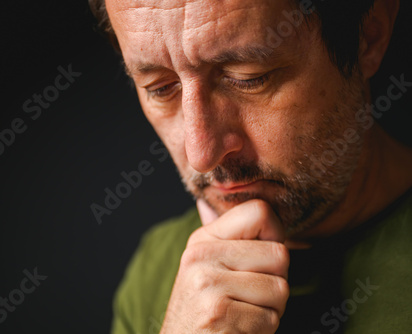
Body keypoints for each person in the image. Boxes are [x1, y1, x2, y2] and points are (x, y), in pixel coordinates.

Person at [89, 0, 412, 332]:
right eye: (160, 88)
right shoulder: (157, 268)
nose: (201, 154)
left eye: (248, 78)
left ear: (368, 37)